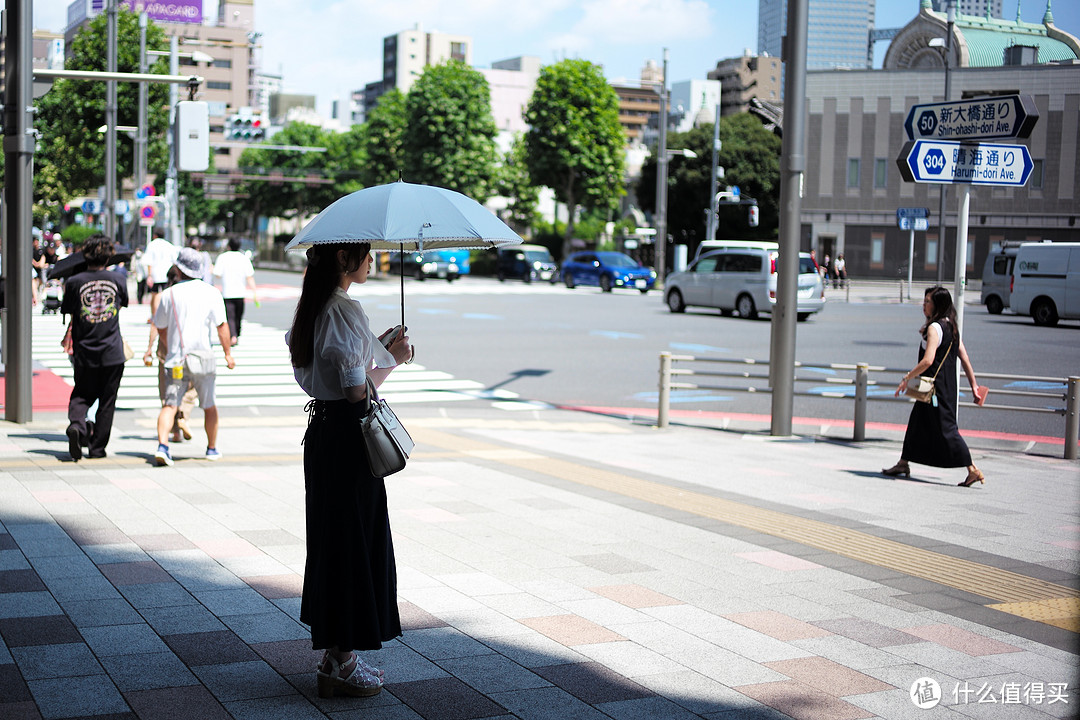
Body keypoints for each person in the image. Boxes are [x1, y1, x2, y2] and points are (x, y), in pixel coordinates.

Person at [287, 242, 412, 698]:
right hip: (347, 438)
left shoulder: (316, 306)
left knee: (335, 538)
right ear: (344, 259)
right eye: (365, 253)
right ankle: (340, 663)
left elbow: (336, 372)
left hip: (326, 435)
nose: (372, 260)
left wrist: (376, 347)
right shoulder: (341, 310)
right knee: (351, 540)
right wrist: (392, 361)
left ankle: (335, 656)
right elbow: (357, 392)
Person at [883, 286, 986, 487]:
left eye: (928, 301)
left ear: (938, 305)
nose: (924, 305)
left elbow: (928, 361)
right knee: (916, 423)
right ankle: (903, 462)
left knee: (947, 429)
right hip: (946, 387)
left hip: (934, 390)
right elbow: (964, 357)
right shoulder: (951, 327)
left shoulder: (934, 328)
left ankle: (972, 469)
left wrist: (907, 378)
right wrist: (974, 385)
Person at [151, 248, 235, 466]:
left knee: (170, 404)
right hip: (203, 359)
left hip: (176, 360)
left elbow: (159, 326)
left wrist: (171, 346)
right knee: (209, 405)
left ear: (179, 269)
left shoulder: (169, 294)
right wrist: (227, 353)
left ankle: (163, 446)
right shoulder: (211, 292)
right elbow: (222, 326)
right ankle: (212, 448)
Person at [61, 234, 129, 461]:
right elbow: (124, 303)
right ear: (110, 255)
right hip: (112, 349)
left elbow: (69, 311)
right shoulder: (118, 280)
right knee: (107, 400)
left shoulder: (74, 281)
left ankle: (78, 426)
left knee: (81, 393)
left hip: (84, 349)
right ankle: (97, 448)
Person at [213, 237, 259, 346]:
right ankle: (235, 335)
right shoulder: (244, 258)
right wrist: (254, 292)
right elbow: (249, 276)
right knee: (238, 316)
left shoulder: (223, 257)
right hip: (240, 293)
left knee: (230, 316)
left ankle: (233, 336)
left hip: (227, 293)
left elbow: (217, 274)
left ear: (228, 246)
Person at [143, 230, 180, 316]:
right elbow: (175, 260)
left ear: (155, 235)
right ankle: (162, 315)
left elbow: (149, 261)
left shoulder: (152, 245)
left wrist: (149, 275)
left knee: (155, 295)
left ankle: (154, 316)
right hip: (167, 274)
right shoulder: (169, 245)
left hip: (155, 274)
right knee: (164, 294)